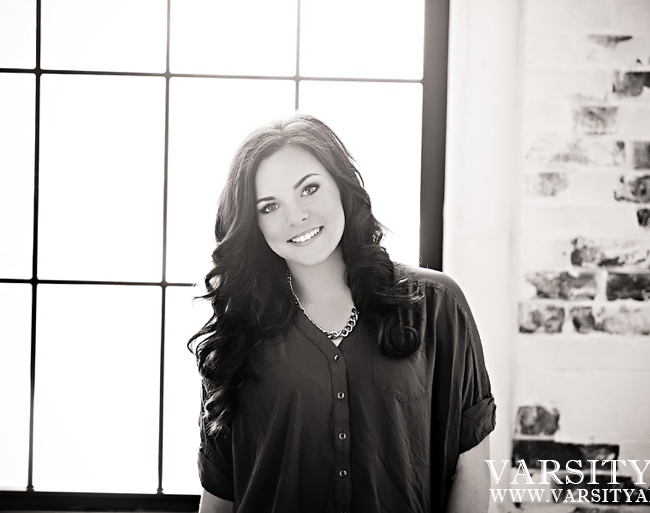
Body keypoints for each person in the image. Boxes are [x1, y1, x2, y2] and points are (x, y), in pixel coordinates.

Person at [188, 113, 496, 513]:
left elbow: (471, 466)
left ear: (340, 186)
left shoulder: (436, 304)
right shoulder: (237, 335)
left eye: (309, 189)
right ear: (254, 224)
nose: (295, 216)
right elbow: (220, 496)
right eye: (269, 206)